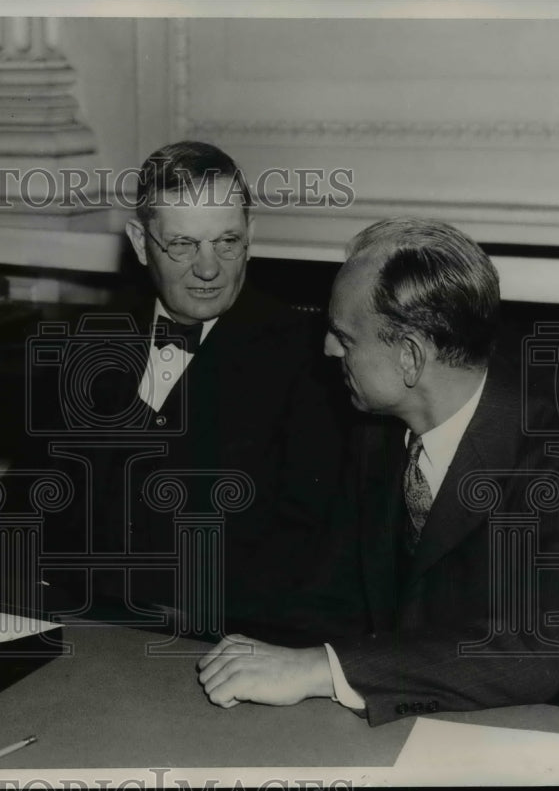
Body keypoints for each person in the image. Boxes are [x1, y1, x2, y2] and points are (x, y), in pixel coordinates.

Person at [197, 217, 559, 724]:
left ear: (409, 358)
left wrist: (324, 669)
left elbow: (537, 648)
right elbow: (331, 588)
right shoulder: (379, 427)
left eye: (344, 336)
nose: (328, 349)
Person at [36, 141, 349, 639]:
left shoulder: (314, 360)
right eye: (182, 245)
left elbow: (311, 554)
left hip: (222, 640)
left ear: (251, 234)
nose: (209, 269)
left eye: (226, 241)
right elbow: (37, 504)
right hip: (77, 628)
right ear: (140, 243)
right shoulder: (87, 340)